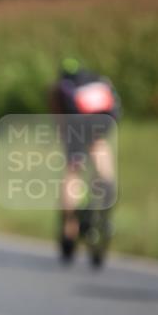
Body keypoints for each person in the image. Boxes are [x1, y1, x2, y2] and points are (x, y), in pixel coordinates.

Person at [49, 58, 120, 262]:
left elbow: (59, 120)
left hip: (76, 127)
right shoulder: (98, 80)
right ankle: (106, 184)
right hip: (103, 123)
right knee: (99, 148)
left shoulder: (58, 87)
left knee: (73, 172)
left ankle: (69, 228)